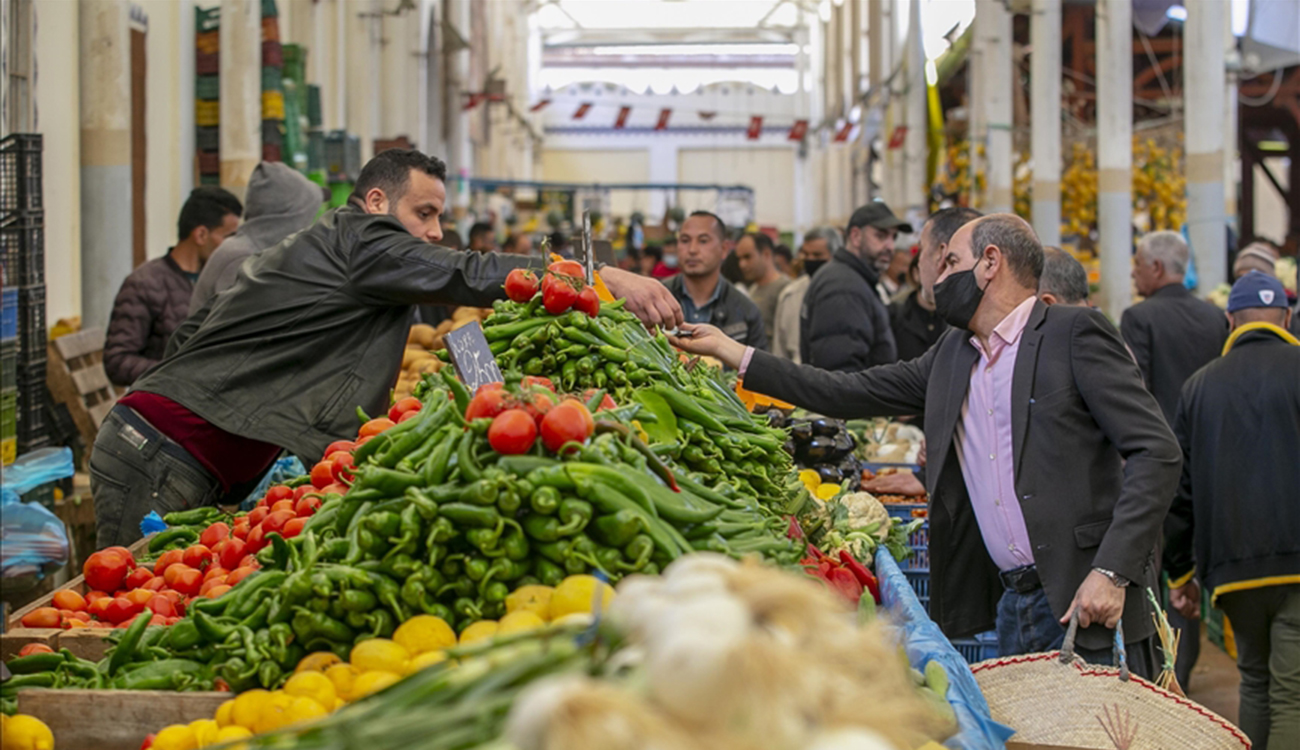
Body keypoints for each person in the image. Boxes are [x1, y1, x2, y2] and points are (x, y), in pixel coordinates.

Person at [89, 149, 681, 547]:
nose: (435, 231)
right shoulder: (362, 239)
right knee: (126, 613)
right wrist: (593, 275)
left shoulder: (335, 251)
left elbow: (196, 331)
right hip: (163, 451)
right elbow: (465, 271)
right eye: (423, 213)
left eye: (438, 216)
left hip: (185, 450)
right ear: (375, 203)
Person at [672, 214, 1179, 675]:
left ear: (990, 263)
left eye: (950, 262)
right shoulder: (954, 355)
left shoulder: (1072, 334)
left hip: (1084, 600)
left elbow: (1156, 451)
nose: (937, 279)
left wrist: (1112, 571)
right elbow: (847, 390)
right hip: (1013, 601)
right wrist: (733, 352)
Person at [1165, 272, 1300, 749]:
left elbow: (1179, 492)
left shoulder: (1199, 387)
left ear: (1229, 320)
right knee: (1292, 694)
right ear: (1287, 317)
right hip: (1296, 564)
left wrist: (1180, 574)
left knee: (1255, 681)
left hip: (1231, 569)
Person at [103, 187, 243, 387]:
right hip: (163, 402)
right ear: (201, 234)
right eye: (229, 237)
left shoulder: (219, 280)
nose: (234, 246)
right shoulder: (144, 283)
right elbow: (117, 362)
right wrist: (181, 373)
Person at [1122, 231, 1229, 425]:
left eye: (1137, 263)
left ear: (1157, 267)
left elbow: (1136, 389)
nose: (1132, 272)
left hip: (1164, 433)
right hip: (1210, 430)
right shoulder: (1217, 316)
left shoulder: (1138, 317)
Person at [189, 162, 327, 312]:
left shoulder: (263, 254)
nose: (311, 227)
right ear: (288, 221)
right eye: (308, 218)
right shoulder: (242, 259)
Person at [801, 202, 911, 371]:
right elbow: (841, 372)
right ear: (856, 236)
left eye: (893, 237)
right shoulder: (843, 287)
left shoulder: (854, 279)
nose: (890, 246)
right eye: (881, 236)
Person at [662, 211, 765, 349]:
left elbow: (755, 361)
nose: (692, 250)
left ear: (724, 249)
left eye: (703, 241)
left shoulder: (746, 312)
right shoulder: (657, 299)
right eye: (685, 240)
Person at [771, 227, 837, 363]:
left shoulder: (848, 292)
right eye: (806, 255)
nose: (810, 259)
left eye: (817, 255)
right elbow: (779, 351)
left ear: (834, 256)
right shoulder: (790, 295)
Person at [735, 232, 790, 348]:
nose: (742, 264)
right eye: (739, 258)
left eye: (747, 257)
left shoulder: (786, 289)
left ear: (766, 254)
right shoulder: (752, 290)